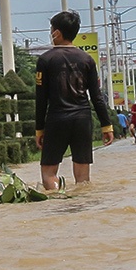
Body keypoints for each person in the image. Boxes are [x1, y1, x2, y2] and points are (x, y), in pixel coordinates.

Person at [34, 10, 114, 191]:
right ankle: (81, 204)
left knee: (48, 172)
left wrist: (39, 129)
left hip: (57, 118)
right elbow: (97, 96)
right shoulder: (87, 59)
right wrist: (106, 126)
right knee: (82, 176)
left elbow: (41, 98)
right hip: (82, 119)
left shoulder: (45, 60)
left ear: (57, 33)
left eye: (51, 29)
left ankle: (57, 198)